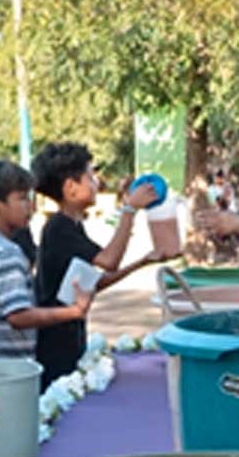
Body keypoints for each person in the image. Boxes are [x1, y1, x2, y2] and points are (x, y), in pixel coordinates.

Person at [31, 142, 164, 386]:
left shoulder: (71, 226)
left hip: (69, 338)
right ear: (71, 187)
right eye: (90, 177)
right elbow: (109, 260)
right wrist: (130, 209)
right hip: (54, 345)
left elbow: (91, 284)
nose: (96, 183)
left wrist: (143, 261)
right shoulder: (59, 228)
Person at [0, 158, 89, 360]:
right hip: (9, 369)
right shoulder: (7, 253)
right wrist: (73, 311)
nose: (30, 206)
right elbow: (18, 316)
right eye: (22, 198)